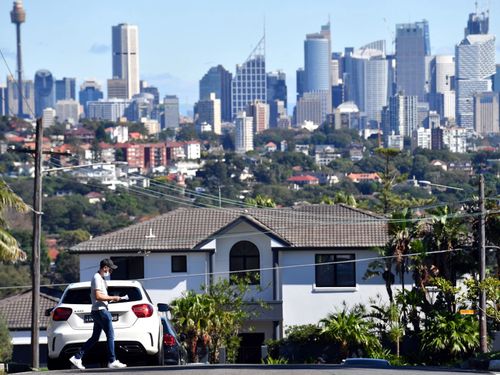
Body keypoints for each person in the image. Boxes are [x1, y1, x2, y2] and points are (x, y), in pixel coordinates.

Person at [69, 258, 127, 369]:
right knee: (110, 335)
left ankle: (77, 357)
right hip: (101, 311)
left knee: (95, 337)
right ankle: (112, 360)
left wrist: (112, 299)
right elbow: (98, 296)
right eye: (110, 270)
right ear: (105, 268)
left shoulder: (100, 278)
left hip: (98, 310)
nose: (111, 272)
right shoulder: (96, 278)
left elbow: (101, 296)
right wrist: (113, 297)